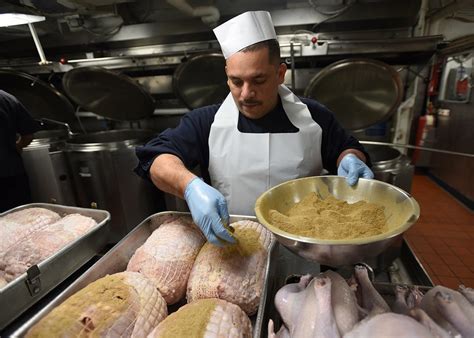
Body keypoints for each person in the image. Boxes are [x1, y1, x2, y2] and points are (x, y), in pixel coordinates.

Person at [135, 11, 373, 246]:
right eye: (237, 82)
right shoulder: (206, 122)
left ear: (280, 73)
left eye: (258, 80)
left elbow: (346, 147)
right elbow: (156, 157)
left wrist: (350, 158)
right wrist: (190, 186)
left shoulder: (314, 117)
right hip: (233, 249)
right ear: (227, 75)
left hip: (303, 249)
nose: (246, 94)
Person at [0, 90, 40, 212]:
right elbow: (28, 135)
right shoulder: (7, 98)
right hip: (12, 172)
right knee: (23, 218)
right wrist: (17, 146)